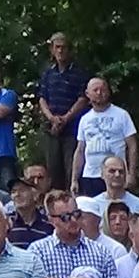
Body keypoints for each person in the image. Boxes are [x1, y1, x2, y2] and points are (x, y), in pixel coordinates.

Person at [36, 34, 90, 189]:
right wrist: (52, 118)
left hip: (73, 130)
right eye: (57, 47)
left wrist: (65, 118)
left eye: (63, 47)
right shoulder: (48, 73)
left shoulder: (79, 73)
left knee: (71, 170)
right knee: (53, 171)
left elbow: (82, 98)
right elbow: (41, 98)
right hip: (51, 129)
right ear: (51, 50)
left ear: (69, 49)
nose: (60, 51)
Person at [73, 78, 138, 198]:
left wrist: (131, 174)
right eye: (95, 90)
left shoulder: (122, 115)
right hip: (90, 176)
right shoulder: (84, 119)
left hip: (116, 175)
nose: (99, 93)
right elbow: (80, 150)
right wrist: (74, 179)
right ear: (87, 94)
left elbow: (132, 146)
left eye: (102, 90)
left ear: (108, 92)